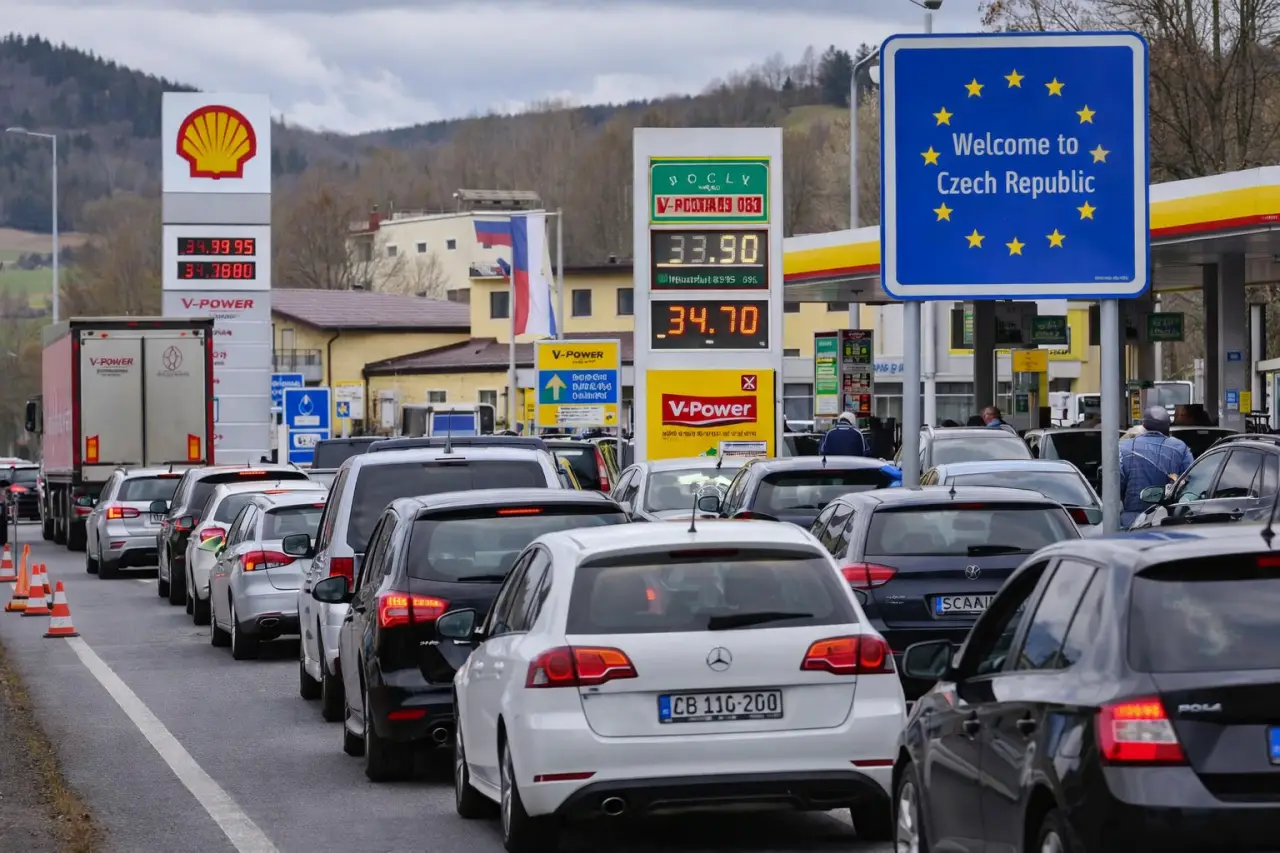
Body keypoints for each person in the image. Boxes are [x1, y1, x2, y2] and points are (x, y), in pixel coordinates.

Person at [1119, 406, 1194, 529]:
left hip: (1132, 518)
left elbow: (1116, 481)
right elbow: (1190, 479)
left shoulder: (1125, 447)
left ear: (1144, 424)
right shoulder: (1180, 447)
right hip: (1168, 518)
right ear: (1168, 425)